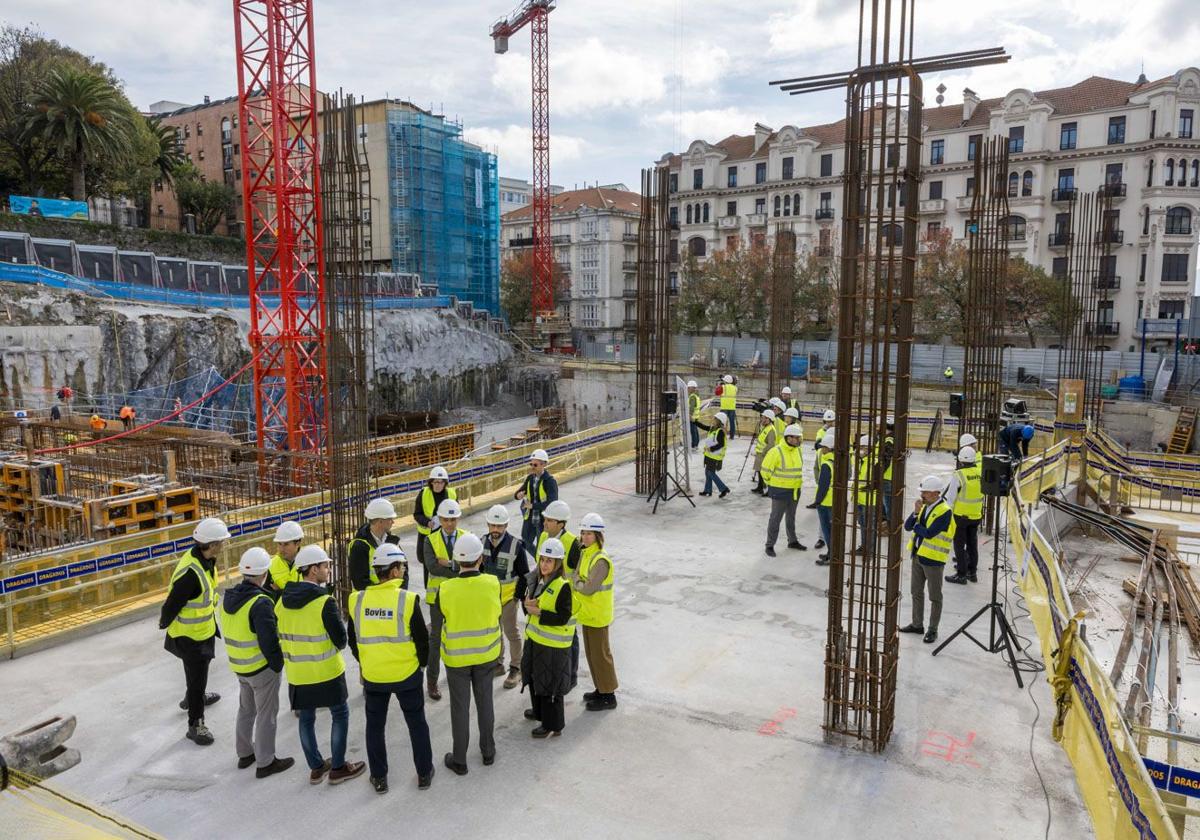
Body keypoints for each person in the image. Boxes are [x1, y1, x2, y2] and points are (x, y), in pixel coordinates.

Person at [347, 543, 434, 794]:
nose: (404, 572)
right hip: (407, 675)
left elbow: (353, 639)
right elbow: (421, 640)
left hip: (374, 676)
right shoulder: (407, 600)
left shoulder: (357, 599)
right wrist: (421, 665)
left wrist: (365, 661)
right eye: (403, 567)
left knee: (375, 727)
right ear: (394, 571)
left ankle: (379, 778)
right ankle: (424, 773)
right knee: (417, 724)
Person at [277, 545, 365, 785]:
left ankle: (316, 767)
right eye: (325, 566)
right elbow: (341, 640)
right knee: (340, 714)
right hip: (327, 672)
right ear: (313, 570)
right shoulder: (324, 602)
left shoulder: (282, 602)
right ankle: (337, 768)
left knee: (306, 718)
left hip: (297, 674)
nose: (328, 569)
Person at [221, 547, 293, 779]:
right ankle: (265, 761)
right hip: (261, 669)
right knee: (266, 714)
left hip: (240, 667)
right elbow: (269, 641)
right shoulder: (260, 603)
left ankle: (245, 753)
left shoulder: (229, 598)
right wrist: (277, 664)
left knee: (246, 709)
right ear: (265, 574)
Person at [159, 517, 229, 746]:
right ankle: (195, 724)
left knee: (199, 675)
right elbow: (172, 604)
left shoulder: (205, 561)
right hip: (190, 636)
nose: (224, 545)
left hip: (203, 630)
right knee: (198, 677)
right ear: (212, 544)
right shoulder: (191, 573)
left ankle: (193, 697)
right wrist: (164, 623)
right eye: (221, 541)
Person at [437, 534, 501, 776]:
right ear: (481, 558)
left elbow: (442, 618)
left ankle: (460, 760)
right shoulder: (493, 583)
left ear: (456, 561)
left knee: (460, 709)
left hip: (457, 659)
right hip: (486, 655)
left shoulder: (446, 588)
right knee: (486, 704)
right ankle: (488, 751)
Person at [522, 538, 575, 738]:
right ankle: (539, 713)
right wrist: (527, 605)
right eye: (542, 560)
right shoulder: (536, 580)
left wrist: (538, 613)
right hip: (535, 641)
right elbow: (531, 607)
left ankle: (552, 725)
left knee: (550, 685)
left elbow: (563, 616)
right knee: (535, 678)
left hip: (553, 647)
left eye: (549, 561)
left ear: (557, 564)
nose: (544, 564)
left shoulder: (563, 586)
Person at [900, 475, 957, 644]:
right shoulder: (924, 507)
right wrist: (916, 513)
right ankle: (917, 625)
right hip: (918, 556)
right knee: (916, 593)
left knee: (935, 597)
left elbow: (929, 533)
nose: (922, 495)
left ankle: (933, 630)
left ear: (934, 493)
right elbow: (908, 526)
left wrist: (918, 526)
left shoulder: (945, 511)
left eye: (924, 492)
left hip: (933, 561)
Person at [571, 513, 618, 711]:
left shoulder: (600, 560)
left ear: (598, 536)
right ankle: (600, 688)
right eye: (583, 533)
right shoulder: (585, 553)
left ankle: (609, 695)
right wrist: (579, 581)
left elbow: (588, 587)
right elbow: (577, 578)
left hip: (598, 615)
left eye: (589, 533)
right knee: (591, 655)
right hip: (587, 613)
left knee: (601, 655)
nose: (584, 537)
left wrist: (578, 582)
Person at [422, 498, 466, 700]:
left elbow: (472, 564)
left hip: (458, 597)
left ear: (458, 519)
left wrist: (448, 563)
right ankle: (432, 681)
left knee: (457, 637)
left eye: (453, 519)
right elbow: (432, 567)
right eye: (446, 519)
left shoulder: (466, 538)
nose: (449, 523)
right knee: (436, 640)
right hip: (437, 599)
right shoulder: (430, 540)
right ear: (439, 519)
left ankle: (457, 675)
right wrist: (457, 569)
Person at [481, 504, 530, 690]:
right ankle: (498, 663)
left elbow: (525, 574)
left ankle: (516, 668)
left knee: (512, 633)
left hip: (509, 598)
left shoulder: (516, 546)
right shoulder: (481, 542)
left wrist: (517, 596)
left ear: (506, 525)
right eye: (492, 525)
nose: (495, 530)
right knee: (495, 631)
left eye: (499, 526)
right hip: (489, 597)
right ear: (488, 524)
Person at [535, 499, 581, 688]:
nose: (544, 523)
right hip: (546, 595)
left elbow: (578, 573)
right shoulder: (543, 537)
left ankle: (571, 675)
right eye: (545, 519)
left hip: (564, 599)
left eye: (549, 520)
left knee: (570, 638)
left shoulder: (572, 543)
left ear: (561, 523)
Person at [761, 423, 807, 558]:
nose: (800, 440)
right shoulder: (776, 451)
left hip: (794, 491)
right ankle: (769, 545)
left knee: (791, 518)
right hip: (779, 492)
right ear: (789, 438)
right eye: (797, 438)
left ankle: (792, 541)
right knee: (775, 519)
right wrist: (774, 486)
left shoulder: (798, 450)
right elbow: (765, 472)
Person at [946, 446, 983, 585]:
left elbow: (951, 498)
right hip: (976, 514)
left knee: (959, 546)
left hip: (961, 516)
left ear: (960, 460)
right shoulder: (980, 472)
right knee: (972, 544)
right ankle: (972, 573)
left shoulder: (959, 475)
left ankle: (961, 574)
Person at [348, 498, 402, 592]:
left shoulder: (392, 540)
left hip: (392, 598)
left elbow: (403, 570)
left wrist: (399, 592)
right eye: (390, 519)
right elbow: (360, 582)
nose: (393, 522)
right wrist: (385, 592)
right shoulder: (359, 546)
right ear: (380, 522)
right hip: (369, 602)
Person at [413, 466, 455, 582]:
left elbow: (456, 513)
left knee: (445, 559)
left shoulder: (451, 494)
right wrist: (427, 522)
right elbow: (417, 514)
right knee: (427, 560)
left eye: (441, 482)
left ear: (445, 483)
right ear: (431, 483)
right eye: (435, 482)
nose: (438, 485)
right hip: (427, 534)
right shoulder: (423, 494)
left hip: (445, 534)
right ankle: (429, 587)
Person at [515, 449, 558, 551]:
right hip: (530, 518)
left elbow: (552, 502)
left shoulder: (550, 481)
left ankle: (539, 563)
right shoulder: (530, 478)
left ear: (544, 464)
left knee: (541, 545)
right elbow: (517, 493)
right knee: (525, 541)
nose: (532, 467)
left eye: (535, 465)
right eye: (531, 464)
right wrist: (518, 495)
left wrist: (533, 506)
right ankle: (537, 559)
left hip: (543, 520)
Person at [807, 431, 836, 565]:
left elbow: (823, 486)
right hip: (834, 501)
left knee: (827, 531)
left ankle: (831, 556)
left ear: (829, 448)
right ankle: (832, 554)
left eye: (824, 447)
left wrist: (817, 502)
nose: (822, 449)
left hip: (826, 502)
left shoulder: (826, 464)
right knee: (833, 531)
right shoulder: (836, 461)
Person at [693, 412, 731, 498]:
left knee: (710, 473)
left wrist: (711, 448)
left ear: (719, 421)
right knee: (708, 473)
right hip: (710, 455)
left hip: (714, 456)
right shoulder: (712, 428)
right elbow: (703, 426)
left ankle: (723, 488)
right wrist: (694, 421)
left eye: (714, 419)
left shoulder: (720, 431)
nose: (712, 420)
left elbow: (721, 444)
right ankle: (707, 490)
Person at [854, 435, 876, 555]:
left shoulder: (873, 462)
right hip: (860, 498)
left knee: (870, 527)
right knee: (862, 525)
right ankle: (864, 547)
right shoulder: (861, 460)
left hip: (870, 500)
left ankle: (870, 551)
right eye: (861, 447)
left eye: (864, 447)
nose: (861, 450)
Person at [268, 520, 305, 594]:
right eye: (279, 544)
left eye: (286, 544)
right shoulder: (270, 566)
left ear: (297, 543)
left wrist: (280, 592)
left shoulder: (310, 563)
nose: (281, 549)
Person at [751, 409, 778, 496]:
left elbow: (771, 444)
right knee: (759, 471)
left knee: (765, 472)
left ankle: (768, 490)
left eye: (764, 418)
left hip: (765, 454)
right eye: (762, 418)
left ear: (769, 419)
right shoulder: (765, 427)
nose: (762, 420)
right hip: (760, 454)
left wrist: (763, 452)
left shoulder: (771, 430)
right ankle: (760, 487)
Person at [880, 416, 896, 525]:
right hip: (891, 476)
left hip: (886, 476)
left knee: (888, 503)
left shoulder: (888, 440)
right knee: (888, 502)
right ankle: (888, 522)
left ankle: (889, 524)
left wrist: (879, 472)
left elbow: (886, 459)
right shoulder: (894, 438)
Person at [716, 374, 738, 439]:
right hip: (732, 407)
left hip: (724, 407)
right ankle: (732, 436)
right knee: (732, 423)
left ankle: (722, 435)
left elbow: (717, 393)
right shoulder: (735, 388)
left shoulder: (723, 387)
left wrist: (718, 385)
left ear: (725, 381)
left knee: (722, 422)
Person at [686, 380, 702, 450]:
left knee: (693, 431)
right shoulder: (696, 395)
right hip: (696, 416)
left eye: (689, 388)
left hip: (692, 417)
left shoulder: (692, 397)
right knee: (695, 431)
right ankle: (696, 445)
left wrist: (689, 415)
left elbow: (692, 407)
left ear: (692, 388)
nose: (688, 389)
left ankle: (694, 445)